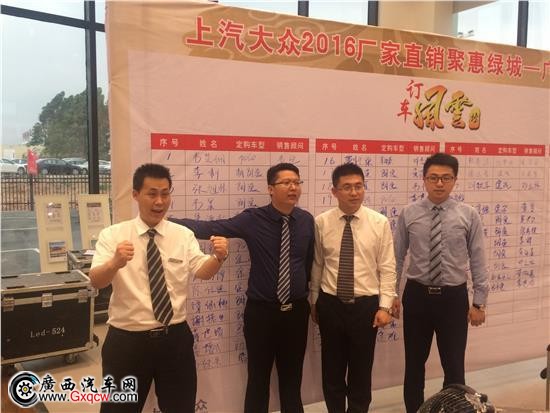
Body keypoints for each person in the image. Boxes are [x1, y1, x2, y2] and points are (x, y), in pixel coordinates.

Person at [170, 162, 314, 413]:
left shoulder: (306, 221)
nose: (293, 187)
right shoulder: (253, 219)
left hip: (296, 312)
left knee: (292, 380)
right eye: (286, 182)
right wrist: (166, 221)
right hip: (262, 314)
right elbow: (211, 228)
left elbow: (310, 262)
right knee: (258, 379)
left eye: (297, 182)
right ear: (270, 189)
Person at [90, 163, 228, 413]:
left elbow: (202, 271)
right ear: (135, 195)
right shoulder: (113, 235)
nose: (159, 201)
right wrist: (115, 263)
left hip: (174, 338)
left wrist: (218, 258)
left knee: (180, 408)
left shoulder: (182, 235)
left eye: (165, 194)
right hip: (127, 341)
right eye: (152, 194)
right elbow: (96, 281)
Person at [393, 152, 489, 413]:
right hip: (417, 296)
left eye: (446, 178)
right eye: (433, 177)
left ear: (455, 180)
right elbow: (397, 257)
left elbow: (478, 259)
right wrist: (391, 295)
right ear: (424, 179)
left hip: (453, 299)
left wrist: (479, 302)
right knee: (414, 365)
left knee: (454, 366)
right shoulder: (409, 213)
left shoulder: (468, 215)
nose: (439, 183)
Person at [310, 163, 397, 413]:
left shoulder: (379, 222)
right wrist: (314, 301)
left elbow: (387, 267)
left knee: (361, 371)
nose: (354, 192)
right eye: (347, 187)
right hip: (330, 304)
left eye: (359, 186)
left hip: (365, 307)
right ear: (334, 191)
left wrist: (385, 307)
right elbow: (318, 264)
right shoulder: (322, 222)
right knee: (332, 370)